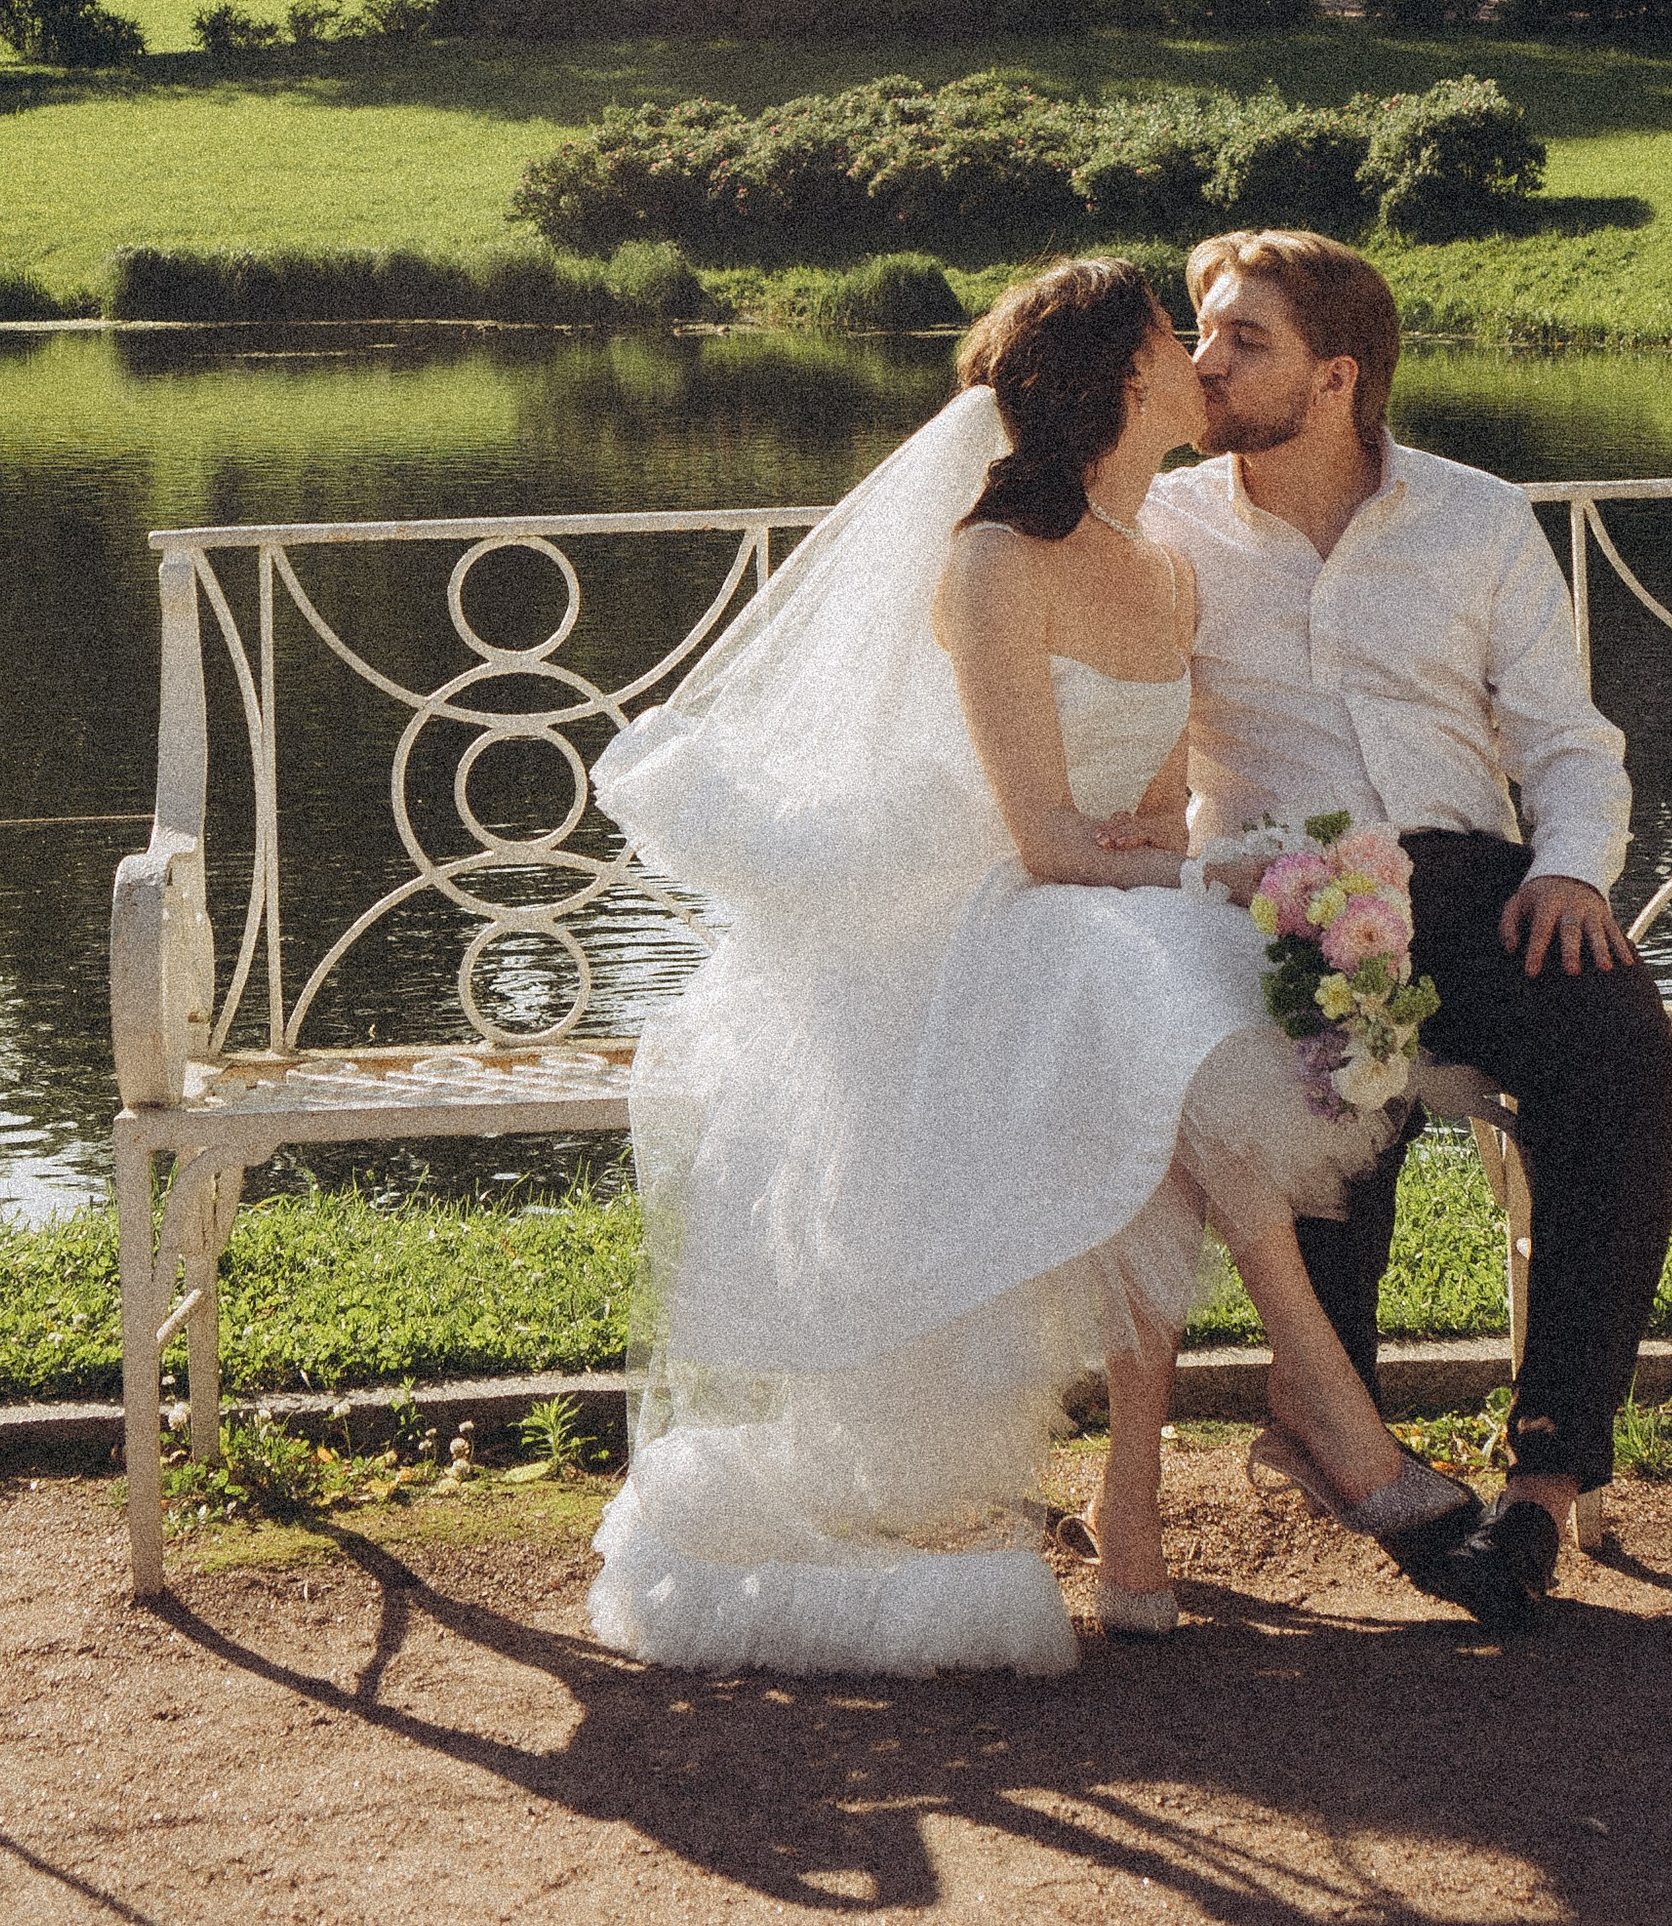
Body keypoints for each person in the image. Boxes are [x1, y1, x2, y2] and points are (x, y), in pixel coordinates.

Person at [587, 258, 1485, 1678]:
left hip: (1093, 922)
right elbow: (1048, 839)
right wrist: (1210, 872)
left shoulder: (1169, 565)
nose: (1205, 365)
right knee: (1158, 995)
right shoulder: (994, 561)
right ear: (1127, 386)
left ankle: (1147, 1510)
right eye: (1176, 348)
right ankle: (1325, 1416)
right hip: (962, 934)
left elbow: (1146, 804)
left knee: (1162, 1011)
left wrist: (1206, 860)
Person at [1140, 233, 1672, 1634]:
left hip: (1479, 888)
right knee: (1333, 1092)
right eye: (1205, 334)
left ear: (1336, 378)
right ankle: (1343, 1433)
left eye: (1240, 340)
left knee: (1629, 1076)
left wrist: (1575, 872)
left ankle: (1548, 1483)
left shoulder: (1478, 518)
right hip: (1289, 898)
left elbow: (1568, 742)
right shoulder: (1167, 533)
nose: (1203, 362)